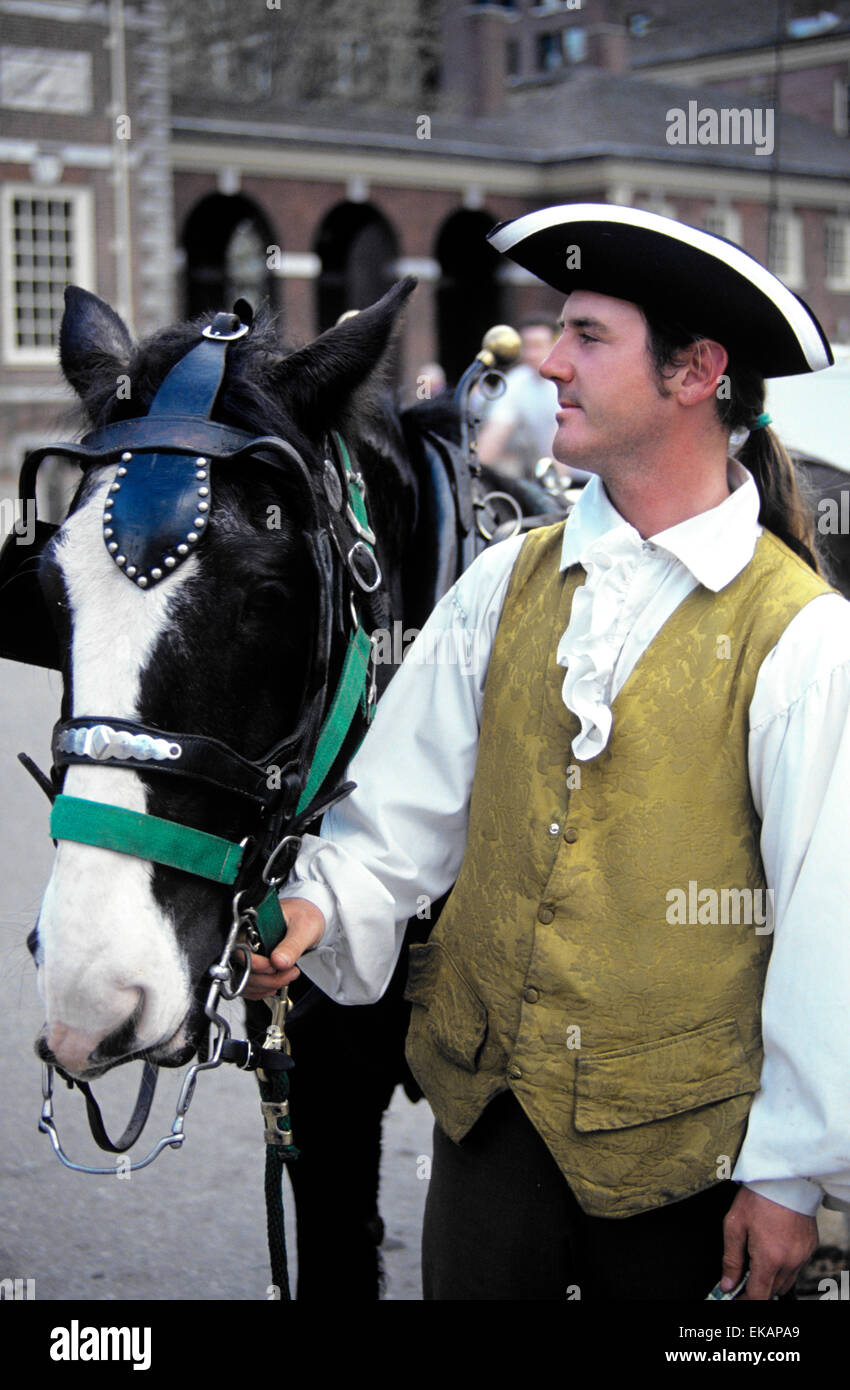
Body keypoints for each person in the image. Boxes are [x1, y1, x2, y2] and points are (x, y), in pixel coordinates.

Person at [246, 204, 850, 1301]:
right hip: (488, 1135)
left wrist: (790, 1176)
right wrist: (320, 908)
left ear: (694, 371)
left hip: (684, 1166)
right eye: (553, 331)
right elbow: (400, 816)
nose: (548, 359)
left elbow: (828, 923)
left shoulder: (800, 635)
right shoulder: (502, 584)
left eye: (586, 336)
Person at [476, 315, 592, 484]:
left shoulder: (569, 378)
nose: (531, 354)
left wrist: (555, 487)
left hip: (586, 479)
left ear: (555, 345)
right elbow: (496, 432)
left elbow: (561, 439)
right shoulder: (516, 381)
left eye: (538, 346)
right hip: (549, 480)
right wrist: (474, 475)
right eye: (526, 346)